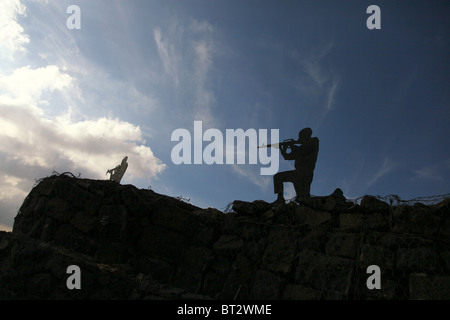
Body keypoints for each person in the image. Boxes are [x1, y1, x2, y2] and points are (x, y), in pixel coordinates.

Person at [273, 128, 319, 203]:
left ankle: (281, 200)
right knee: (278, 177)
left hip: (305, 174)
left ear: (306, 136)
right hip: (298, 174)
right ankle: (280, 199)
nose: (299, 139)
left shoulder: (313, 143)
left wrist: (292, 147)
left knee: (303, 197)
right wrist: (282, 149)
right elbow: (287, 157)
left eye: (300, 137)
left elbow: (302, 151)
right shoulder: (301, 147)